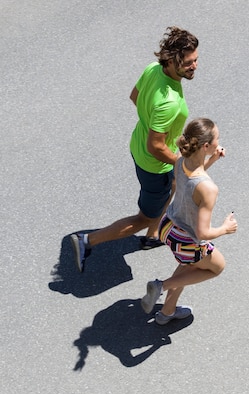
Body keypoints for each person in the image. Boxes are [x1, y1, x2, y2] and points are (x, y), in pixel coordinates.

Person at [71, 27, 199, 272]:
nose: (194, 66)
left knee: (171, 186)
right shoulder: (169, 102)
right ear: (172, 61)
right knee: (144, 216)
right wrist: (179, 164)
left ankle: (153, 235)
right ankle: (87, 241)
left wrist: (158, 127)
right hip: (154, 164)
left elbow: (135, 96)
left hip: (138, 145)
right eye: (189, 62)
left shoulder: (154, 69)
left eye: (196, 60)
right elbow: (156, 146)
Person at [140, 118, 237, 325]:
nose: (219, 141)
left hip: (167, 226)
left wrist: (212, 160)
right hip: (186, 238)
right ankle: (160, 286)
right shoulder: (209, 189)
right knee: (217, 267)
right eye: (217, 139)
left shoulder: (180, 160)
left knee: (188, 266)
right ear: (205, 146)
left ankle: (166, 312)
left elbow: (193, 179)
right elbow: (202, 233)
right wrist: (225, 229)